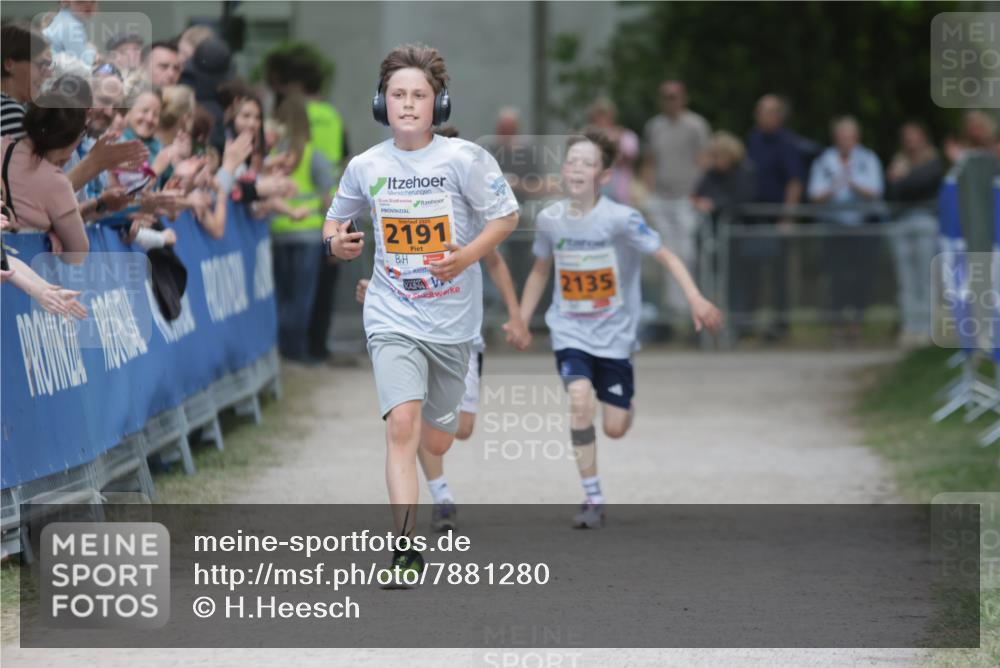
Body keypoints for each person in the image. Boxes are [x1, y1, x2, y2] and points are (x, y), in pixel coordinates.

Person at [325, 43, 519, 586]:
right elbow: (334, 222)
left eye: (419, 95)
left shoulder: (465, 160)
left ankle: (438, 458)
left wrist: (465, 256)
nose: (407, 104)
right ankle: (405, 548)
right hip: (391, 311)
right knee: (401, 428)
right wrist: (335, 245)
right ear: (380, 103)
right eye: (397, 95)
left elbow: (507, 217)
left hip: (453, 322)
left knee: (441, 435)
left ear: (440, 104)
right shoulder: (366, 165)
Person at [519, 129, 722, 528]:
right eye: (572, 160)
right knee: (579, 402)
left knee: (613, 428)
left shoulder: (621, 219)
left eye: (588, 163)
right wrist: (521, 318)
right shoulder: (550, 219)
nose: (577, 168)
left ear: (604, 176)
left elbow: (666, 256)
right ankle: (592, 496)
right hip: (570, 331)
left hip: (615, 337)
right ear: (563, 170)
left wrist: (696, 298)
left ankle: (624, 408)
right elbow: (541, 269)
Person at [268, 93, 336, 362]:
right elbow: (329, 198)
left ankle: (282, 348)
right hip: (307, 235)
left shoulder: (272, 155)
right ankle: (296, 349)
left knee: (281, 296)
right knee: (301, 297)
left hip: (277, 232)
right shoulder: (312, 155)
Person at [807, 115, 884, 342]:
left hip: (862, 226)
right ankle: (838, 323)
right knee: (836, 276)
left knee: (861, 276)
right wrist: (834, 187)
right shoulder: (824, 161)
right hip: (834, 226)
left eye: (849, 137)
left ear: (856, 138)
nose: (845, 141)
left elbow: (876, 190)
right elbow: (814, 194)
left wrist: (853, 184)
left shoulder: (868, 159)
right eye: (841, 137)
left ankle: (857, 322)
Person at [641, 80, 711, 328]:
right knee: (664, 252)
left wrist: (699, 192)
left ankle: (690, 305)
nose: (670, 101)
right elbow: (649, 161)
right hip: (661, 197)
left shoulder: (696, 125)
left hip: (686, 198)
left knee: (688, 252)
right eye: (666, 96)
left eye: (674, 96)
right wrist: (648, 193)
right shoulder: (655, 126)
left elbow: (703, 160)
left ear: (683, 98)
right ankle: (672, 310)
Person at [740, 94, 807, 341]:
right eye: (759, 111)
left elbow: (794, 181)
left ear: (778, 116)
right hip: (752, 219)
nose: (762, 117)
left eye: (767, 112)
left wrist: (787, 216)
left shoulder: (787, 143)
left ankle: (780, 325)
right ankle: (747, 323)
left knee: (779, 275)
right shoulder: (752, 140)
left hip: (775, 217)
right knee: (751, 273)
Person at [1, 90, 91, 259]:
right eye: (82, 132)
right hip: (22, 273)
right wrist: (49, 230)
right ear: (70, 138)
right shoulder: (56, 183)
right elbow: (78, 253)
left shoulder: (2, 148)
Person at [886, 121, 944, 348]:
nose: (910, 141)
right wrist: (903, 180)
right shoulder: (899, 161)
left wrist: (904, 177)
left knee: (925, 276)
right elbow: (892, 191)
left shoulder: (933, 161)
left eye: (914, 135)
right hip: (901, 223)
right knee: (906, 279)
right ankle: (911, 327)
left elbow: (921, 184)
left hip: (925, 222)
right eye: (906, 136)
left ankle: (927, 327)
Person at [693, 131, 755, 223]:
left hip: (740, 225)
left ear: (729, 155)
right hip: (713, 225)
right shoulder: (712, 172)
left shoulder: (744, 173)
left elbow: (740, 199)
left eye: (716, 156)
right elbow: (700, 192)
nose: (713, 159)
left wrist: (714, 204)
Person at [1, 25, 52, 139]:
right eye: (41, 64)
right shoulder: (8, 110)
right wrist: (93, 158)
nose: (49, 74)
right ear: (9, 64)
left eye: (49, 65)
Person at [588, 98, 640, 205]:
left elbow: (630, 158)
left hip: (621, 193)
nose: (600, 119)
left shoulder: (626, 136)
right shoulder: (588, 138)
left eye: (604, 114)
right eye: (597, 115)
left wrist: (616, 142)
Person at [42, 0, 97, 67]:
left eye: (93, 1)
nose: (89, 5)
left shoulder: (62, 20)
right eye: (81, 1)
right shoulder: (71, 26)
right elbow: (83, 66)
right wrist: (92, 49)